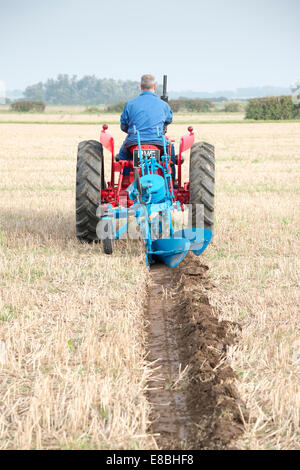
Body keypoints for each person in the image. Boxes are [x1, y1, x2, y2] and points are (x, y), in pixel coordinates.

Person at [117, 74, 175, 177]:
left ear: (140, 86)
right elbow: (168, 120)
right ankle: (172, 181)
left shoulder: (130, 104)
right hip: (157, 142)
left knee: (122, 156)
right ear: (155, 86)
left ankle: (126, 180)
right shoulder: (163, 105)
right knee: (170, 151)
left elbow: (123, 126)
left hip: (134, 143)